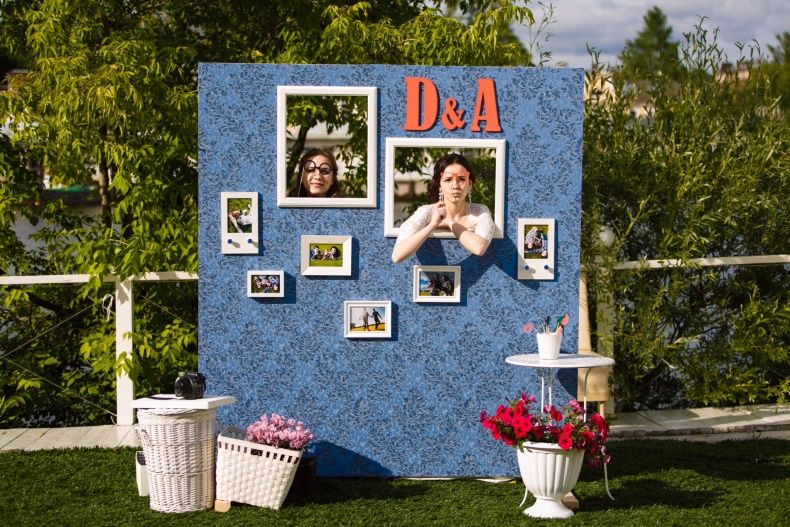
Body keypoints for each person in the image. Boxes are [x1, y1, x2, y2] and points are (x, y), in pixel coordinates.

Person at [391, 153, 494, 263]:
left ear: (470, 184)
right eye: (448, 180)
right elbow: (397, 256)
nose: (455, 186)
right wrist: (432, 225)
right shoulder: (426, 212)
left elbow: (479, 248)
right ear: (440, 186)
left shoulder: (479, 211)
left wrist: (449, 222)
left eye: (461, 179)